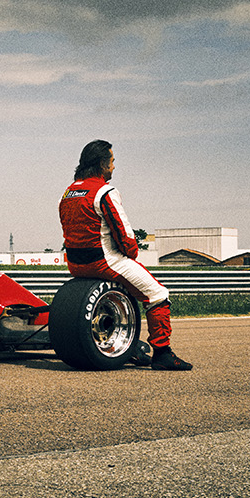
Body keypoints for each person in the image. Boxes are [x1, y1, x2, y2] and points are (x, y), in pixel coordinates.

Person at [59, 140, 192, 370]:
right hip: (104, 261)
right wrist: (130, 253)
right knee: (158, 293)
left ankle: (128, 345)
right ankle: (162, 353)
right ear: (101, 164)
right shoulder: (105, 191)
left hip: (75, 265)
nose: (113, 168)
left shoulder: (68, 192)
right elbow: (125, 235)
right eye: (111, 162)